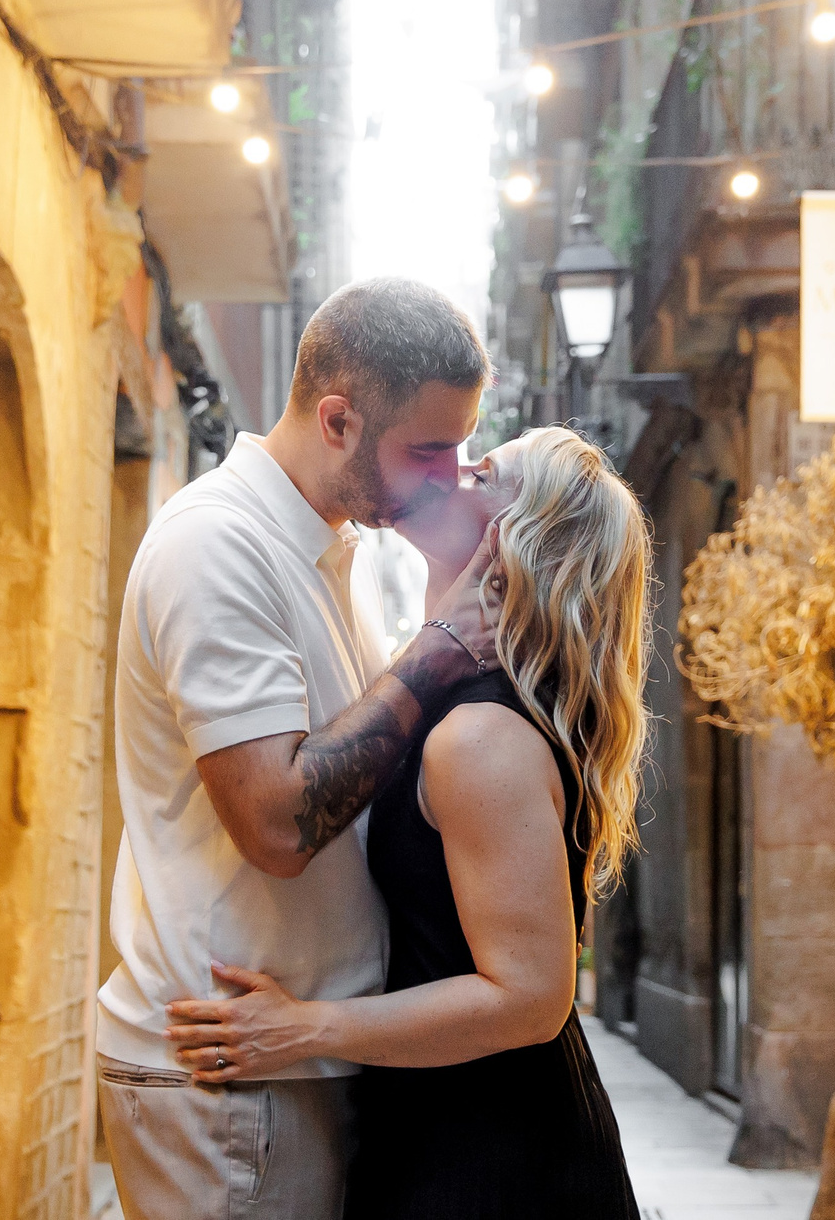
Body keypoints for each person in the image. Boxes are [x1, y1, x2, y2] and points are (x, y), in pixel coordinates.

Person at [167, 425, 650, 1219]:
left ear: (517, 545)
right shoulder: (455, 704)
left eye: (483, 473)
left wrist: (301, 1029)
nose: (450, 470)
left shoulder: (480, 736)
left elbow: (531, 998)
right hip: (443, 1121)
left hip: (491, 1155)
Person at [97, 278, 500, 1220]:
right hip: (229, 1072)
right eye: (427, 450)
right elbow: (277, 825)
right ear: (337, 420)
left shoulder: (326, 547)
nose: (447, 476)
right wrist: (440, 651)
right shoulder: (218, 544)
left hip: (286, 1057)